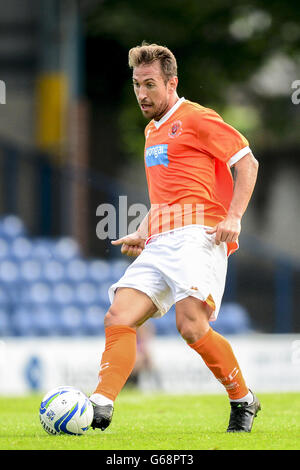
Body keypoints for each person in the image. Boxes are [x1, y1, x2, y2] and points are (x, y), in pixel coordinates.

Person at [89, 43, 260, 433]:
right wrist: (142, 230)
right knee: (119, 314)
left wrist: (234, 217)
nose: (142, 94)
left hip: (200, 235)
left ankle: (243, 399)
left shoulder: (197, 117)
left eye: (150, 84)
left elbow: (248, 162)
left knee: (191, 326)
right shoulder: (152, 132)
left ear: (172, 82)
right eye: (136, 84)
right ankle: (99, 407)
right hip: (160, 240)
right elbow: (167, 198)